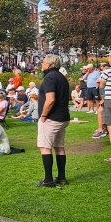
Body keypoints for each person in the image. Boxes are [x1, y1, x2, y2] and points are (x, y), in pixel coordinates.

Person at [36, 54, 71, 186]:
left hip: (52, 118)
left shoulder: (49, 77)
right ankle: (61, 177)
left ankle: (48, 180)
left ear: (49, 64)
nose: (42, 64)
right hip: (63, 117)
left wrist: (44, 115)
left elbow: (50, 99)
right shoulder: (62, 77)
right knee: (59, 147)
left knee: (45, 147)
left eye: (43, 62)